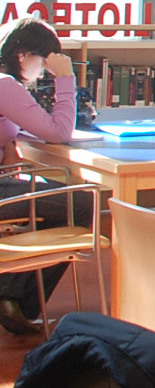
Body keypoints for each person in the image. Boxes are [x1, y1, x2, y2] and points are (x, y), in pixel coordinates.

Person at [0, 17, 90, 336]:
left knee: (54, 199)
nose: (43, 72)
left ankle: (13, 297)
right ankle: (18, 300)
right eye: (44, 63)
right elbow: (58, 132)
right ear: (23, 56)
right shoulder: (5, 85)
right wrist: (65, 80)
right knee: (81, 203)